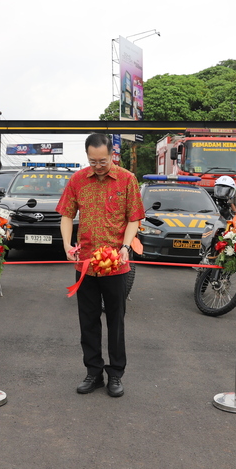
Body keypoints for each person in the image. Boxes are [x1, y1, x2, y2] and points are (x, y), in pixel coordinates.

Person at [57, 133, 144, 398]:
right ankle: (93, 372)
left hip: (116, 264)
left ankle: (115, 374)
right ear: (87, 157)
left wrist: (126, 247)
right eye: (93, 161)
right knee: (88, 320)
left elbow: (134, 218)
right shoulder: (78, 180)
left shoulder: (127, 179)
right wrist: (66, 244)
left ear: (112, 154)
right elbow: (66, 215)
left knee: (116, 321)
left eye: (103, 161)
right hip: (85, 263)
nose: (98, 166)